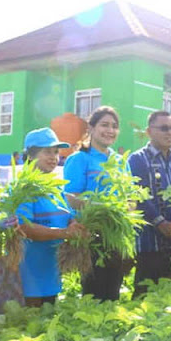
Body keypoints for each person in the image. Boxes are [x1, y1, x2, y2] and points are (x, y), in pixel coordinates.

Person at [63, 106, 130, 301]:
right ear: (91, 128)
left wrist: (127, 208)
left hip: (116, 235)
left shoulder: (120, 161)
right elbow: (70, 197)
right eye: (104, 125)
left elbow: (130, 197)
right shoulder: (79, 159)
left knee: (113, 292)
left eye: (114, 126)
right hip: (91, 236)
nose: (110, 130)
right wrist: (101, 209)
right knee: (94, 293)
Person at [18, 128, 85, 307]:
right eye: (47, 151)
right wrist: (64, 233)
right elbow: (25, 228)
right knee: (27, 329)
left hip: (51, 273)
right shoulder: (23, 188)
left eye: (56, 152)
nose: (54, 157)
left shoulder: (55, 187)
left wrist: (74, 223)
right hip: (29, 276)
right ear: (31, 155)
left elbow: (67, 216)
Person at [128, 111, 171, 297]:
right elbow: (138, 195)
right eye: (164, 128)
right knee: (145, 295)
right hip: (150, 243)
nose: (170, 132)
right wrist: (160, 222)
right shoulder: (138, 159)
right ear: (149, 131)